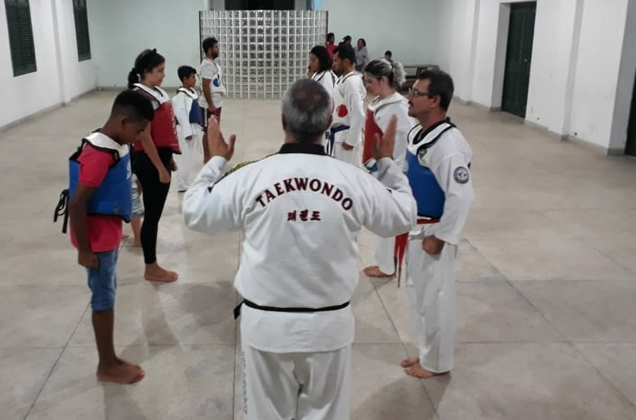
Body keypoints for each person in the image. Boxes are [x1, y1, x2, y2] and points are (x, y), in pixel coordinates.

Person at [182, 79, 417, 420]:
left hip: (266, 326)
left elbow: (195, 213)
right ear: (328, 123)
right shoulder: (353, 180)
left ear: (283, 121)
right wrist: (388, 165)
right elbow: (403, 215)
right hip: (329, 328)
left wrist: (216, 161)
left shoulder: (251, 177)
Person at [64, 90, 154, 384]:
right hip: (97, 243)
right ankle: (106, 365)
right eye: (138, 131)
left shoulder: (114, 144)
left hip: (108, 236)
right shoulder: (99, 155)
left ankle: (111, 358)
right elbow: (77, 204)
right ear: (123, 121)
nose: (138, 138)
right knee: (103, 301)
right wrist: (84, 249)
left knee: (108, 296)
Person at [400, 70, 474, 378]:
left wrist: (441, 236)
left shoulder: (448, 145)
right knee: (419, 295)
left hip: (433, 230)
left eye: (416, 93)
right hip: (416, 227)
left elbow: (461, 196)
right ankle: (426, 352)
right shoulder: (419, 134)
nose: (409, 97)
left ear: (435, 100)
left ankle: (437, 363)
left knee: (436, 297)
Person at [128, 48, 181, 283]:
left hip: (160, 157)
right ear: (146, 72)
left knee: (153, 215)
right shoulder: (142, 97)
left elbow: (162, 131)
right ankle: (151, 267)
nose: (163, 75)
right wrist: (160, 168)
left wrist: (169, 158)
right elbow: (145, 137)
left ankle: (152, 264)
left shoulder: (156, 92)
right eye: (159, 70)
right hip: (150, 162)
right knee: (152, 216)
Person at [360, 59, 416, 279]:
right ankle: (385, 263)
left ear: (384, 80)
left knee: (388, 220)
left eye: (370, 81)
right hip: (378, 169)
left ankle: (387, 266)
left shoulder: (398, 108)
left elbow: (402, 148)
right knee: (381, 218)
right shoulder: (381, 102)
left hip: (391, 173)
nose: (366, 86)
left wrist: (391, 175)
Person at [330, 44, 366, 165]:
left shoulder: (352, 82)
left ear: (345, 62)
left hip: (346, 137)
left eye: (336, 61)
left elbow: (358, 113)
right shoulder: (343, 79)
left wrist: (351, 140)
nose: (333, 64)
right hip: (339, 135)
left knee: (346, 172)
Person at [172, 65, 204, 193]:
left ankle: (185, 181)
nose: (195, 80)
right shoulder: (181, 96)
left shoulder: (191, 93)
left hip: (192, 128)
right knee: (183, 158)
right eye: (192, 77)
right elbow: (181, 115)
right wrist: (187, 132)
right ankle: (181, 183)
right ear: (185, 79)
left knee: (189, 157)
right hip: (184, 131)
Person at [199, 37, 227, 163]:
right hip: (208, 105)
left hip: (217, 102)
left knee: (214, 130)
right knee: (207, 131)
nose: (218, 49)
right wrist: (210, 104)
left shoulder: (212, 64)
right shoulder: (207, 65)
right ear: (209, 50)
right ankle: (207, 158)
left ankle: (212, 154)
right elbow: (205, 86)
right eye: (216, 47)